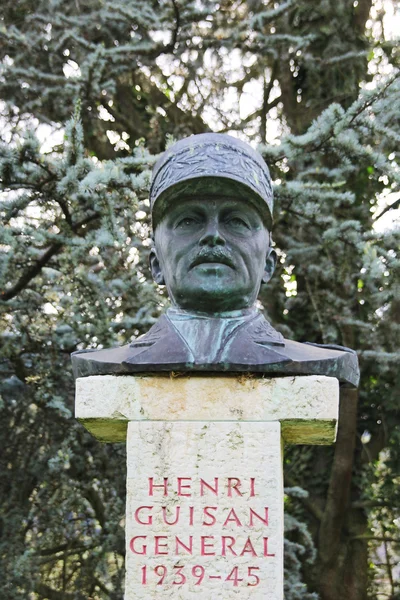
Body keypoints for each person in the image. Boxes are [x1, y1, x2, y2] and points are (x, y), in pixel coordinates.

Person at [72, 134, 359, 387]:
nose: (213, 236)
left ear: (269, 264)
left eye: (236, 221)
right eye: (188, 221)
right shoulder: (112, 365)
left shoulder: (318, 364)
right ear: (156, 265)